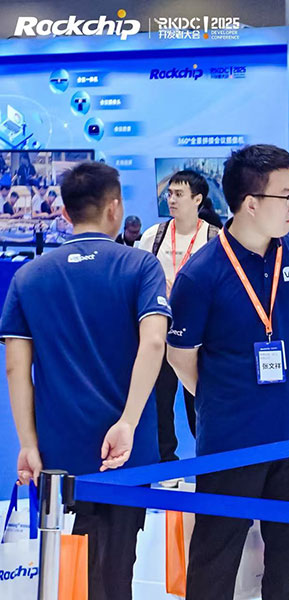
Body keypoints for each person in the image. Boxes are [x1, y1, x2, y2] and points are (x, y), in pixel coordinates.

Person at [0, 161, 170, 600]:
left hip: (57, 450)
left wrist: (28, 443)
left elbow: (17, 367)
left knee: (63, 565)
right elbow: (154, 342)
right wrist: (128, 421)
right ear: (115, 207)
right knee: (115, 567)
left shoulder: (29, 275)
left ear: (65, 211)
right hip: (126, 450)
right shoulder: (140, 265)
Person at [166, 144, 289, 600]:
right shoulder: (201, 274)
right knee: (215, 562)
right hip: (231, 441)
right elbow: (181, 355)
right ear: (250, 203)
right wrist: (224, 397)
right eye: (286, 196)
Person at [138, 170, 218, 470]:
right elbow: (138, 279)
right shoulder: (153, 236)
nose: (171, 199)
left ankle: (209, 463)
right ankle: (165, 463)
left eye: (179, 194)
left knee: (201, 401)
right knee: (160, 402)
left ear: (198, 199)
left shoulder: (214, 238)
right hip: (160, 331)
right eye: (169, 193)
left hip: (201, 335)